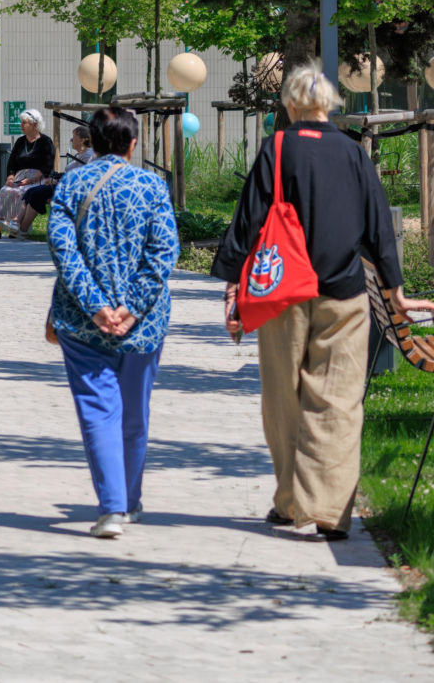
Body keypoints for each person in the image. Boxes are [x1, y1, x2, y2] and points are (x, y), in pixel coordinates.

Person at [212, 60, 434, 541]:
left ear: (291, 104)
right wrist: (395, 284)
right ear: (330, 105)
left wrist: (231, 282)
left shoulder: (277, 148)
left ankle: (293, 501)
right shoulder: (354, 154)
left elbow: (248, 219)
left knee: (282, 398)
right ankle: (331, 509)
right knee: (338, 400)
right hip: (344, 292)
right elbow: (378, 223)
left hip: (283, 294)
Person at [47, 106, 180, 539]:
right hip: (143, 326)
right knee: (135, 413)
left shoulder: (70, 184)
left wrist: (94, 306)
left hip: (83, 323)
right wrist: (134, 307)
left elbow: (63, 251)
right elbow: (163, 252)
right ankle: (131, 502)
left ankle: (112, 508)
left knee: (98, 411)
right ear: (133, 143)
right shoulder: (152, 185)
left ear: (93, 141)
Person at [0, 109, 54, 238]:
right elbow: (12, 163)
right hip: (19, 177)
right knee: (4, 190)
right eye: (21, 123)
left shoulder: (46, 142)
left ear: (34, 124)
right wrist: (11, 177)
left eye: (24, 123)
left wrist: (31, 180)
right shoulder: (20, 141)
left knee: (21, 192)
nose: (21, 125)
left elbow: (48, 165)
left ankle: (15, 226)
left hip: (37, 178)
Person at [17, 124, 95, 236]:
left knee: (37, 194)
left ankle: (21, 230)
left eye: (74, 137)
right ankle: (17, 225)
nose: (71, 139)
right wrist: (55, 178)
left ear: (82, 140)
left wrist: (57, 181)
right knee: (31, 191)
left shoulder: (88, 156)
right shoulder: (79, 155)